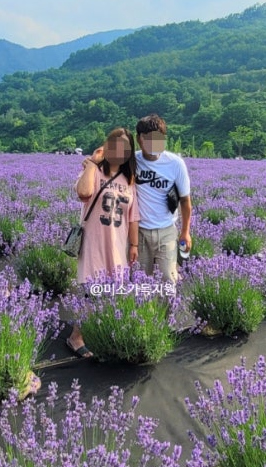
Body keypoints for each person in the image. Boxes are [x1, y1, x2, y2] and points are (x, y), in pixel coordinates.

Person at [66, 127, 140, 358]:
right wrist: (92, 163)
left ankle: (99, 331)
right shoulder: (95, 172)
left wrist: (134, 245)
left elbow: (133, 216)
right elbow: (84, 193)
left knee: (113, 292)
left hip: (117, 245)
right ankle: (76, 337)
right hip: (94, 242)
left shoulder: (129, 180)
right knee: (91, 292)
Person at [134, 114, 192, 284]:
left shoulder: (175, 163)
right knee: (140, 280)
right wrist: (92, 163)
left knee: (168, 279)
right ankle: (145, 311)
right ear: (139, 139)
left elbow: (185, 200)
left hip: (166, 230)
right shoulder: (132, 160)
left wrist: (185, 232)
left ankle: (168, 311)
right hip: (139, 231)